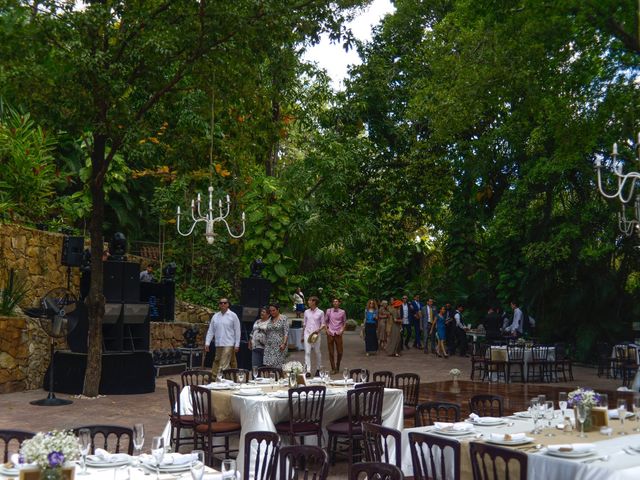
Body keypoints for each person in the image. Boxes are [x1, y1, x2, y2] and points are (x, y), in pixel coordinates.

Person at [205, 298, 240, 377]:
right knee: (220, 360)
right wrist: (207, 343)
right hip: (219, 343)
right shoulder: (215, 316)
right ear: (219, 305)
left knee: (224, 362)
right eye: (221, 303)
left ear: (228, 304)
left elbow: (237, 330)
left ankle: (219, 378)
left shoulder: (233, 315)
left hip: (229, 343)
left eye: (225, 303)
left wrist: (237, 344)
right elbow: (211, 330)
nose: (223, 304)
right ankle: (233, 376)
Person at [324, 298, 347, 373]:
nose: (335, 303)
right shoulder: (329, 311)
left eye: (336, 301)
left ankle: (338, 366)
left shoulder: (342, 312)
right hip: (330, 333)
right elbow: (325, 321)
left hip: (338, 333)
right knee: (331, 352)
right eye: (333, 301)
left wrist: (342, 330)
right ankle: (333, 368)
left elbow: (344, 322)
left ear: (339, 303)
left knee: (340, 352)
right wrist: (327, 331)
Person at [303, 296, 324, 375]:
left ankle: (318, 369)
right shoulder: (306, 312)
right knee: (307, 352)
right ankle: (308, 370)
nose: (308, 302)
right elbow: (304, 324)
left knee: (317, 352)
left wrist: (319, 330)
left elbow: (323, 324)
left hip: (316, 335)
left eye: (309, 300)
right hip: (307, 334)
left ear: (314, 302)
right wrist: (302, 335)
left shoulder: (321, 312)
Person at [264, 303, 289, 369]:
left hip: (280, 346)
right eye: (270, 311)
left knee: (279, 367)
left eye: (274, 310)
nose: (272, 312)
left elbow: (286, 332)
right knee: (268, 366)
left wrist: (284, 344)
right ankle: (270, 379)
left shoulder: (284, 318)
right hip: (269, 346)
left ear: (278, 310)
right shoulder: (269, 319)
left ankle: (280, 379)